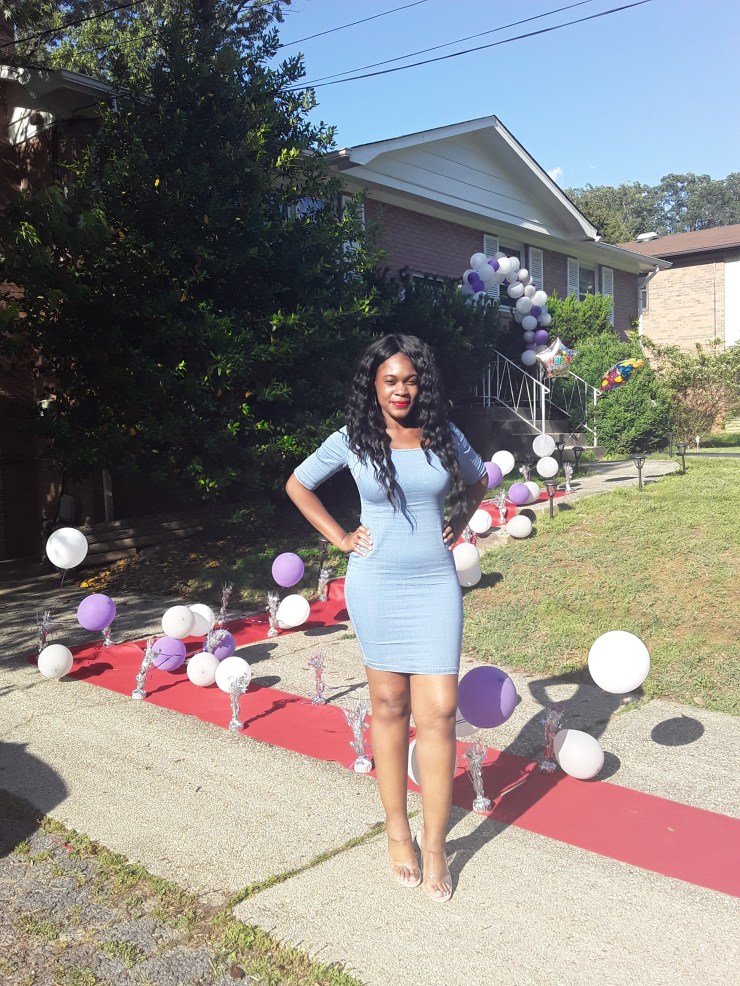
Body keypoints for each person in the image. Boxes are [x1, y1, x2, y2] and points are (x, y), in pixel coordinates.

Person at [285, 333, 488, 902]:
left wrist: (459, 521)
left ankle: (436, 842)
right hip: (377, 584)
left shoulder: (444, 433)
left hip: (434, 585)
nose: (402, 390)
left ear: (423, 384)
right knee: (390, 705)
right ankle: (399, 832)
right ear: (373, 386)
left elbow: (478, 480)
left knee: (440, 711)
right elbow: (298, 485)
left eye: (411, 380)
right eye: (390, 380)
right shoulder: (353, 438)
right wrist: (341, 537)